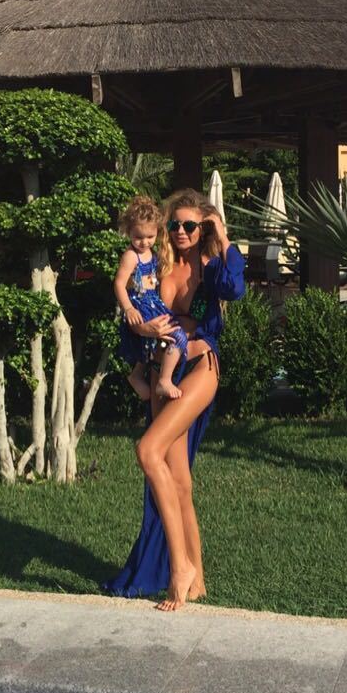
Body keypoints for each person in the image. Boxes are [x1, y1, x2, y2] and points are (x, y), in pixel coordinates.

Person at [104, 187, 246, 611]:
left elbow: (235, 288)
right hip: (160, 370)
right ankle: (196, 578)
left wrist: (222, 234)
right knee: (179, 481)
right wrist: (142, 329)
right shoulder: (157, 261)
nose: (181, 231)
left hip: (200, 366)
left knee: (148, 451)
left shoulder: (209, 266)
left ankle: (179, 567)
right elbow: (132, 311)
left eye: (190, 225)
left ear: (202, 228)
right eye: (175, 224)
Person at [114, 196, 190, 402]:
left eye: (150, 236)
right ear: (129, 232)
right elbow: (119, 283)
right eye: (138, 237)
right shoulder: (131, 256)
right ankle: (164, 380)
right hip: (140, 305)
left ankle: (137, 374)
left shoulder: (152, 254)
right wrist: (128, 308)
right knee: (177, 336)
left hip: (154, 303)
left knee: (152, 344)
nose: (144, 242)